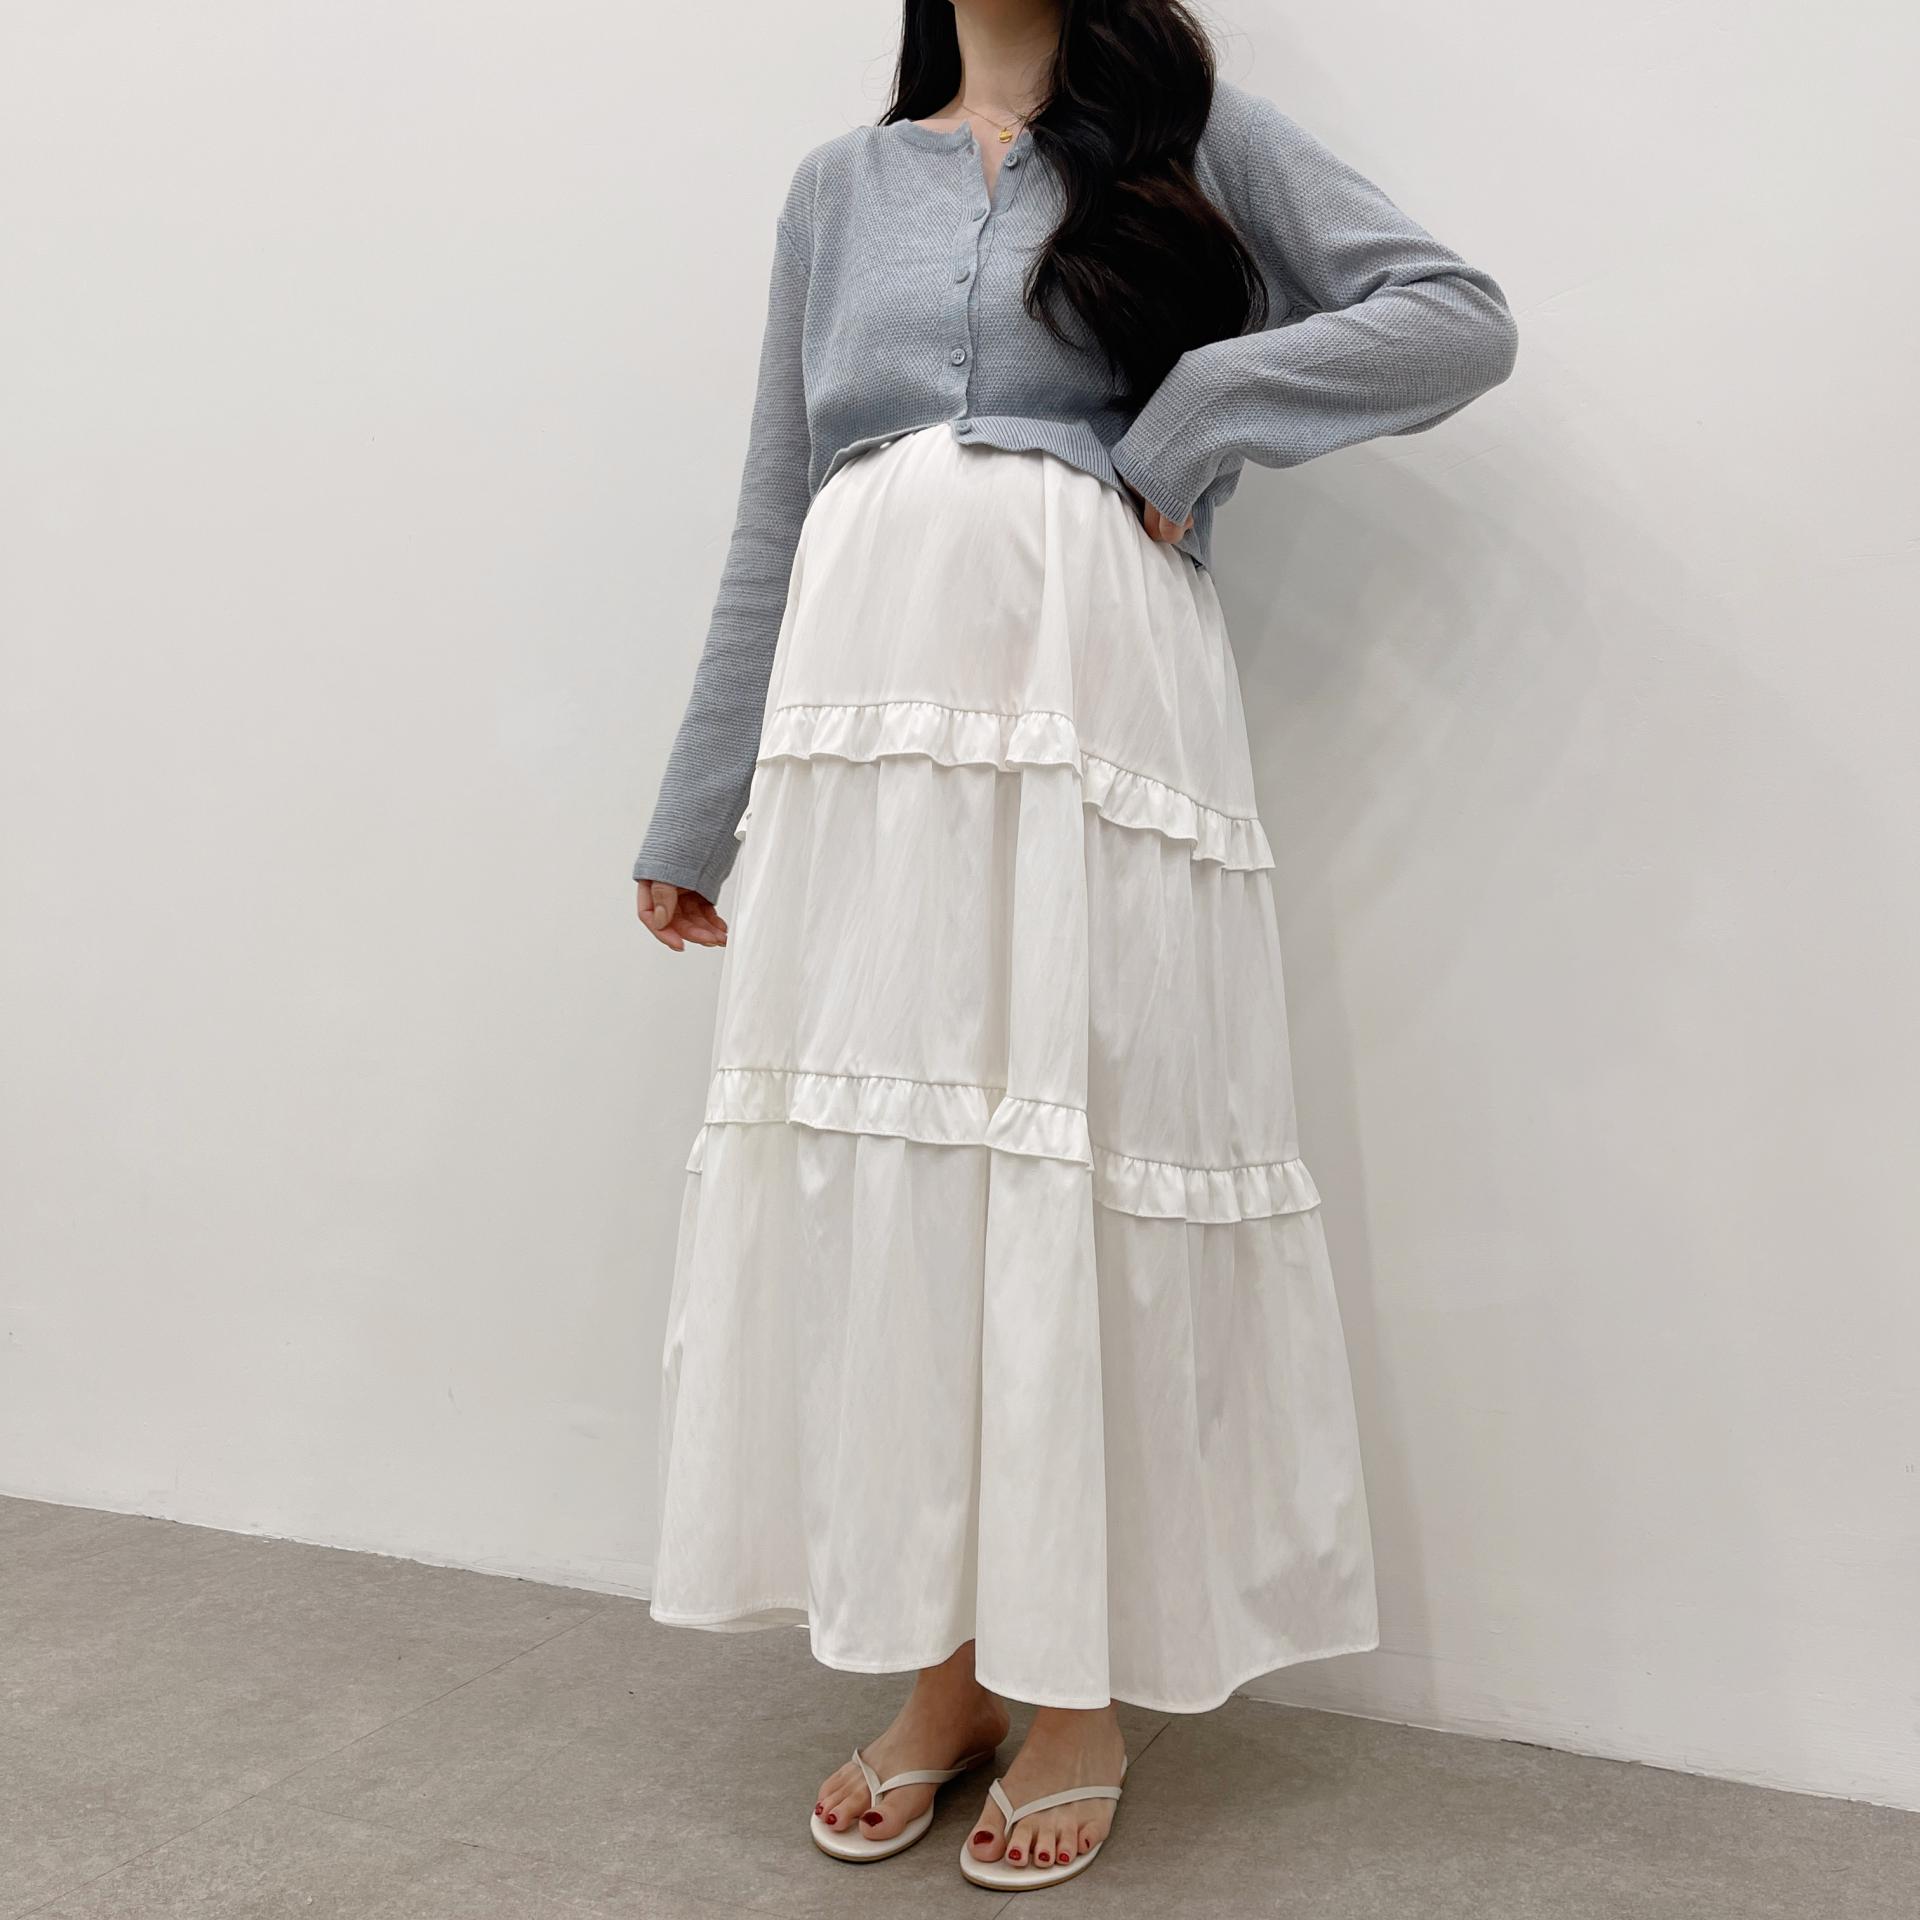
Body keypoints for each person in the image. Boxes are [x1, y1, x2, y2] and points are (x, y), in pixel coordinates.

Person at [631, 0, 1517, 1891]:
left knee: (1083, 1151)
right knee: (904, 1189)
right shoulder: (837, 186)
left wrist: (1193, 420)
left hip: (1091, 696)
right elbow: (778, 503)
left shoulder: (1200, 135)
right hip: (869, 724)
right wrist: (701, 806)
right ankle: (946, 1675)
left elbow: (1451, 314)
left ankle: (1079, 1693)